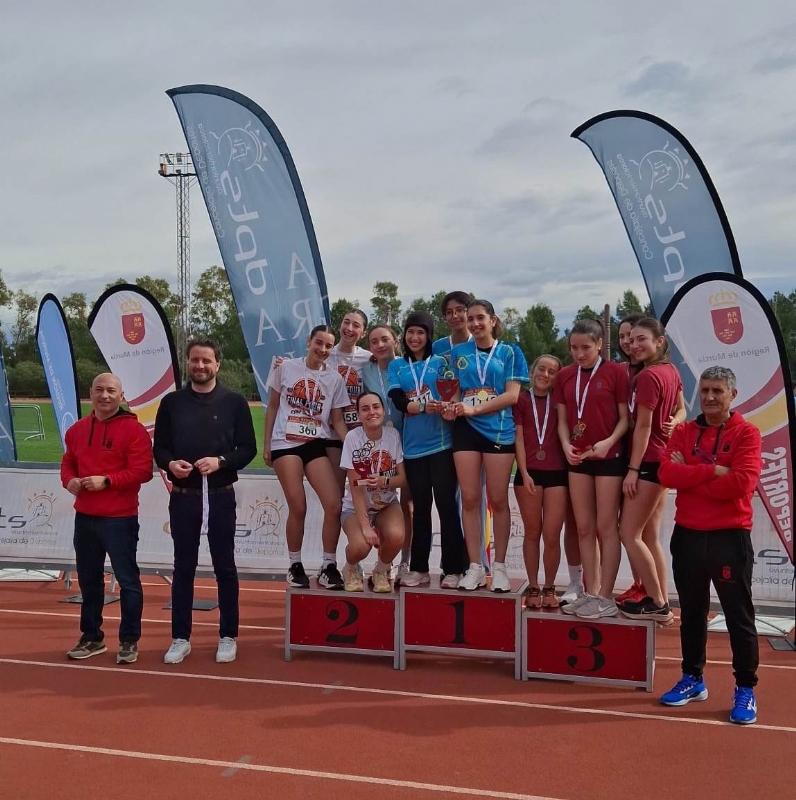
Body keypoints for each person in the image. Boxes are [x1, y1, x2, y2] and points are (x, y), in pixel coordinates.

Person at [658, 366, 762, 725]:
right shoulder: (685, 431)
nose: (710, 397)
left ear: (732, 394)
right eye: (704, 390)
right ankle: (692, 678)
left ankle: (745, 688)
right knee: (692, 612)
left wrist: (690, 473)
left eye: (718, 390)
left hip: (729, 536)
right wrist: (712, 471)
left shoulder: (747, 433)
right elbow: (666, 474)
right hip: (687, 535)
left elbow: (741, 484)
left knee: (738, 617)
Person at [154, 339, 257, 665]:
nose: (200, 366)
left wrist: (221, 461)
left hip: (220, 495)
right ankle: (180, 638)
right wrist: (170, 464)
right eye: (195, 360)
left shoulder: (235, 403)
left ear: (218, 364)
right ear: (188, 363)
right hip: (184, 497)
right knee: (183, 568)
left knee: (224, 568)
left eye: (207, 361)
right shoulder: (171, 403)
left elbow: (248, 449)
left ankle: (228, 635)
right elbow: (160, 448)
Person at [60, 373, 153, 664]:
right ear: (91, 393)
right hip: (84, 518)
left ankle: (128, 640)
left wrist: (107, 481)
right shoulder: (77, 430)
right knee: (89, 581)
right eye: (99, 390)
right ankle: (91, 637)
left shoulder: (134, 430)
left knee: (127, 581)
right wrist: (70, 481)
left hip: (120, 519)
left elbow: (142, 471)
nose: (104, 395)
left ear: (121, 396)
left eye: (111, 391)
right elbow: (68, 464)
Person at [444, 299, 529, 591]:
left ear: (492, 320)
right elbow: (455, 393)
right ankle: (476, 566)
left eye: (480, 318)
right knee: (469, 499)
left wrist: (474, 409)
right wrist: (453, 407)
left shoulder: (510, 351)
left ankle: (501, 567)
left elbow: (512, 396)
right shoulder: (458, 353)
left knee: (498, 500)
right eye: (470, 319)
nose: (475, 324)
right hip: (466, 431)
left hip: (498, 431)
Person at [263, 324, 351, 590]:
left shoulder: (334, 379)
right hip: (285, 442)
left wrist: (355, 447)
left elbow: (337, 420)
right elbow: (274, 405)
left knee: (334, 504)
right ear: (308, 341)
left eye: (327, 346)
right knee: (298, 506)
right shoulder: (286, 367)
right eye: (319, 343)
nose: (323, 350)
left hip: (315, 443)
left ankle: (328, 564)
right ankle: (294, 564)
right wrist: (267, 443)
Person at [554, 318, 629, 619]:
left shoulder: (615, 372)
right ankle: (590, 593)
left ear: (600, 344)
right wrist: (565, 445)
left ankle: (607, 596)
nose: (579, 353)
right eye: (574, 347)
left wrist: (608, 442)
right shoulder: (565, 376)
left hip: (609, 458)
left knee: (606, 527)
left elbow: (625, 419)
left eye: (586, 347)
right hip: (578, 458)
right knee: (584, 527)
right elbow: (562, 420)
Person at [388, 311, 468, 588]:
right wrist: (422, 406)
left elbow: (453, 394)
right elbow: (398, 400)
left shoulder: (441, 363)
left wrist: (446, 408)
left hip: (442, 445)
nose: (414, 337)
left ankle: (453, 569)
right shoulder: (397, 366)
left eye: (420, 332)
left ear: (429, 336)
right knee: (420, 509)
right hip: (412, 449)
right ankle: (420, 568)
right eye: (410, 332)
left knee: (447, 507)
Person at [619, 318, 683, 623]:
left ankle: (657, 602)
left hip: (648, 461)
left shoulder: (649, 377)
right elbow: (681, 409)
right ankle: (662, 600)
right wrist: (676, 421)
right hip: (662, 460)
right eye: (631, 340)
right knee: (649, 535)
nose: (634, 345)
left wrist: (633, 469)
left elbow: (643, 425)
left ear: (660, 341)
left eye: (641, 339)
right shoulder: (669, 371)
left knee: (628, 533)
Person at [513, 355, 568, 609]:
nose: (545, 374)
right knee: (532, 532)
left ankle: (550, 587)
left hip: (558, 474)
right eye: (541, 369)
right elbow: (520, 440)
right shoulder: (521, 400)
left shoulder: (561, 401)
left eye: (552, 371)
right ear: (533, 371)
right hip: (529, 474)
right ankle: (533, 585)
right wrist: (524, 473)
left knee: (552, 535)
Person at [340, 392, 407, 592]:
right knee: (361, 546)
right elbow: (355, 486)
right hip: (356, 506)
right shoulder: (353, 438)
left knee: (396, 535)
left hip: (386, 504)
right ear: (359, 414)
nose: (372, 412)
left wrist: (383, 480)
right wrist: (365, 526)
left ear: (384, 410)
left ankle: (382, 568)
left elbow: (402, 479)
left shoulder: (392, 436)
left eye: (376, 407)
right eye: (365, 409)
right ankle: (351, 566)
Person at [361, 324, 413, 582]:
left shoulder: (407, 366)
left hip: (411, 440)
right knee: (382, 499)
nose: (380, 345)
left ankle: (405, 561)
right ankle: (386, 562)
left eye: (385, 339)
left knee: (409, 506)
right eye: (374, 341)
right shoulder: (366, 371)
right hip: (381, 446)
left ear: (395, 340)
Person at [326, 309, 372, 493]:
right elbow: (303, 366)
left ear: (363, 333)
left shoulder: (368, 358)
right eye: (346, 322)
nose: (349, 328)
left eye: (356, 325)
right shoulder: (325, 353)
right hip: (331, 436)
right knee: (334, 497)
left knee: (364, 495)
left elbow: (391, 364)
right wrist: (282, 363)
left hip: (361, 437)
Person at [432, 290, 472, 359]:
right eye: (449, 312)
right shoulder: (437, 347)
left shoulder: (479, 343)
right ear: (445, 317)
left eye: (459, 310)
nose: (454, 316)